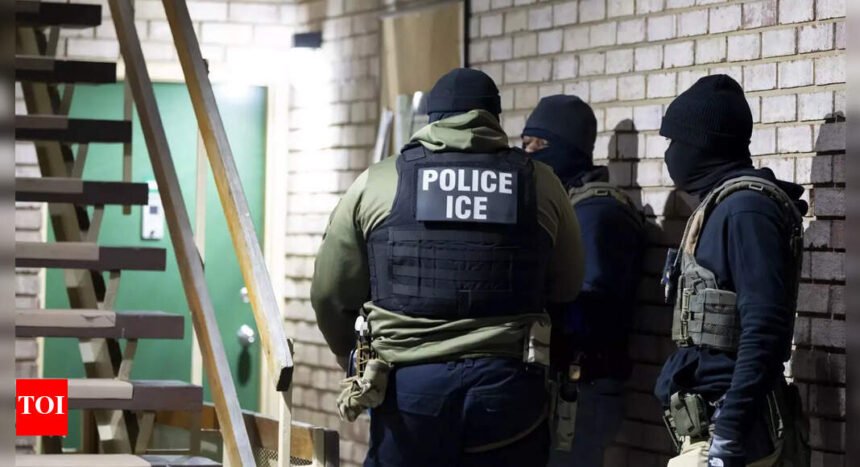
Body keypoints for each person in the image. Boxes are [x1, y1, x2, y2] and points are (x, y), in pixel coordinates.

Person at [311, 68, 585, 467]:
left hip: (408, 387)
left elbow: (330, 293)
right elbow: (568, 284)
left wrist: (348, 355)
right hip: (508, 386)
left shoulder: (379, 181)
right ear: (493, 117)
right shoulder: (541, 182)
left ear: (432, 117)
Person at [655, 75, 810, 467]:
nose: (670, 154)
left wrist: (729, 433)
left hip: (732, 432)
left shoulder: (746, 210)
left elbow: (764, 327)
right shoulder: (723, 205)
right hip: (714, 427)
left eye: (675, 141)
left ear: (702, 144)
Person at [522, 95, 646, 467]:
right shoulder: (567, 204)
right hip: (562, 384)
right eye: (525, 143)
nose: (528, 153)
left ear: (569, 148)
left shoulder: (598, 213)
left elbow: (593, 310)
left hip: (581, 388)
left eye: (539, 145)